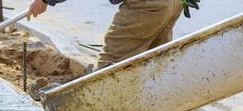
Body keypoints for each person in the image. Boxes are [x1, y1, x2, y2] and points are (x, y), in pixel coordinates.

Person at [26, 0, 199, 99]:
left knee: (106, 72)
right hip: (172, 4)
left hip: (146, 5)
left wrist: (44, 0)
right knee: (156, 67)